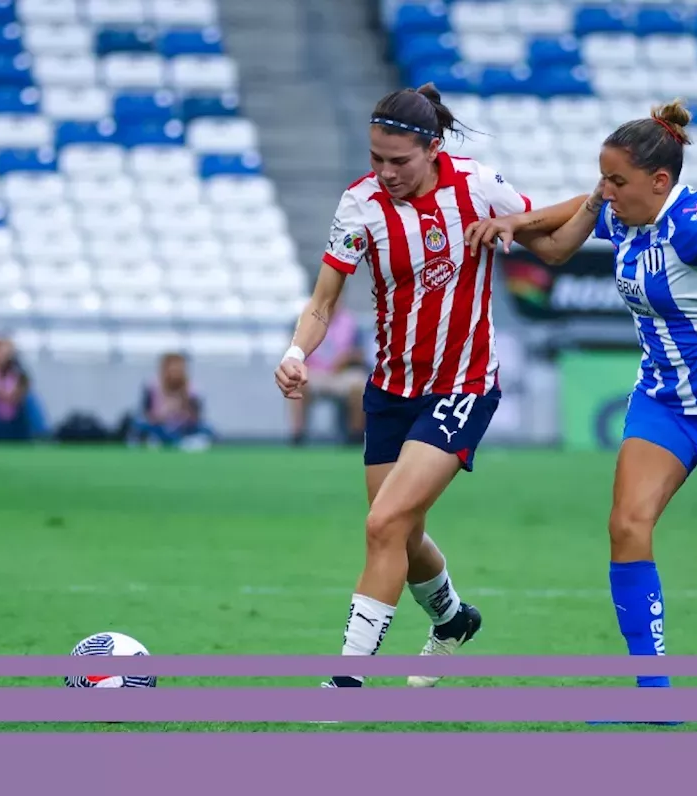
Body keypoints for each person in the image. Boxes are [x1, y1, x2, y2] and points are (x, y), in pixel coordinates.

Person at [464, 100, 697, 695]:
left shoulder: (690, 219)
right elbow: (558, 239)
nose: (605, 191)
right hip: (662, 400)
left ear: (659, 181)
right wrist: (515, 224)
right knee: (627, 525)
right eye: (603, 178)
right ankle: (653, 692)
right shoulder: (621, 214)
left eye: (617, 180)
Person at [274, 82, 561, 689]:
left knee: (384, 527)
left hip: (463, 386)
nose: (385, 172)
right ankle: (453, 620)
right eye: (376, 158)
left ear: (431, 149)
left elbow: (550, 240)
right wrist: (298, 351)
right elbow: (323, 303)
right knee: (401, 532)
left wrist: (554, 212)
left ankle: (345, 685)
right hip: (391, 390)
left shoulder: (478, 185)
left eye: (398, 161)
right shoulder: (359, 205)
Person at [286, 305, 367, 446]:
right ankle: (297, 436)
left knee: (360, 383)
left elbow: (360, 354)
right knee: (296, 381)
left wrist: (347, 358)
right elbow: (292, 353)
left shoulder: (350, 322)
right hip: (312, 373)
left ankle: (356, 436)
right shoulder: (303, 320)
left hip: (341, 374)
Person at [0, 339, 49, 442]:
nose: (4, 355)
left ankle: (43, 434)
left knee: (31, 397)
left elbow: (23, 389)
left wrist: (9, 394)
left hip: (14, 411)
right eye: (1, 351)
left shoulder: (17, 370)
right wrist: (1, 393)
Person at [130, 352, 213, 451]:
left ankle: (184, 442)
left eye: (178, 368)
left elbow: (197, 417)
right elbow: (146, 413)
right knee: (139, 424)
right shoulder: (152, 386)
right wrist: (163, 413)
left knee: (206, 428)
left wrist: (182, 407)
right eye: (171, 368)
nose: (174, 372)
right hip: (159, 426)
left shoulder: (192, 389)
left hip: (183, 428)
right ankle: (154, 441)